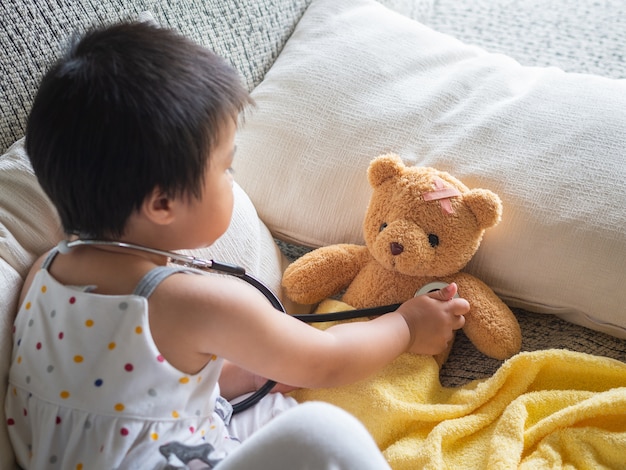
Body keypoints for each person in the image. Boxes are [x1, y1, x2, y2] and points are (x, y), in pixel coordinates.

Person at [5, 21, 469, 469]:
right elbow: (325, 362)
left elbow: (137, 391)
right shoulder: (193, 299)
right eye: (225, 169)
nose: (232, 180)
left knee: (271, 411)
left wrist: (261, 366)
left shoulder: (46, 270)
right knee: (323, 432)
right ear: (163, 203)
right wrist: (407, 325)